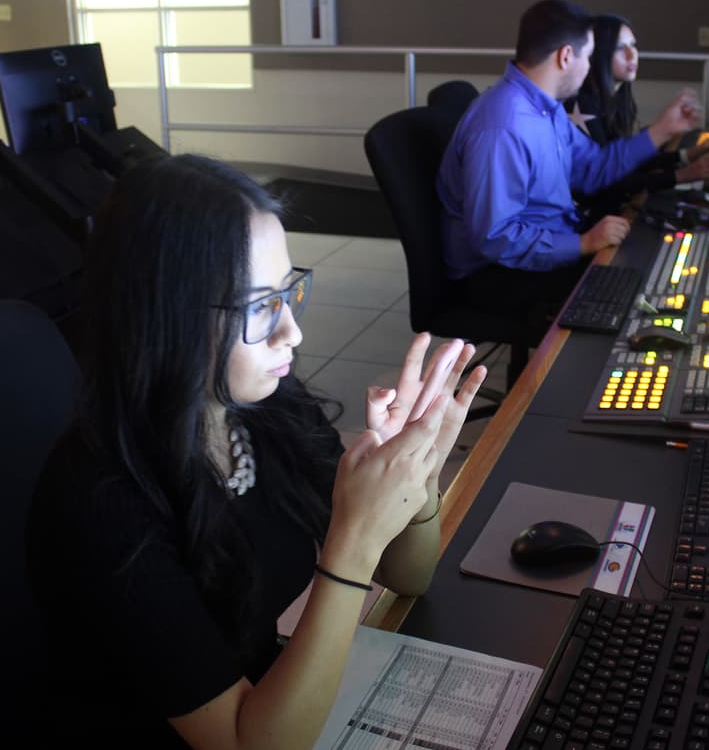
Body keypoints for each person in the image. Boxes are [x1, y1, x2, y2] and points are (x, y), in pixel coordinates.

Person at [26, 154, 487, 747]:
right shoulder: (101, 506)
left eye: (288, 292)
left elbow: (409, 576)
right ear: (167, 317)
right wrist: (352, 541)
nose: (292, 331)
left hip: (271, 699)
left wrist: (415, 474)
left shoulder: (267, 408)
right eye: (260, 306)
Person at [436, 0, 703, 342]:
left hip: (540, 246)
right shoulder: (503, 125)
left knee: (644, 268)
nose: (590, 66)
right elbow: (494, 237)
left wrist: (663, 130)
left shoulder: (546, 109)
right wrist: (583, 243)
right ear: (565, 57)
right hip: (495, 273)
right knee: (629, 300)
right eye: (588, 56)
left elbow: (593, 168)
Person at [570, 13, 709, 189]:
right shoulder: (582, 105)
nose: (632, 54)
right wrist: (681, 175)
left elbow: (629, 160)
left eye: (633, 45)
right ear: (598, 53)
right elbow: (607, 177)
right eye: (620, 48)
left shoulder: (620, 100)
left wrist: (687, 155)